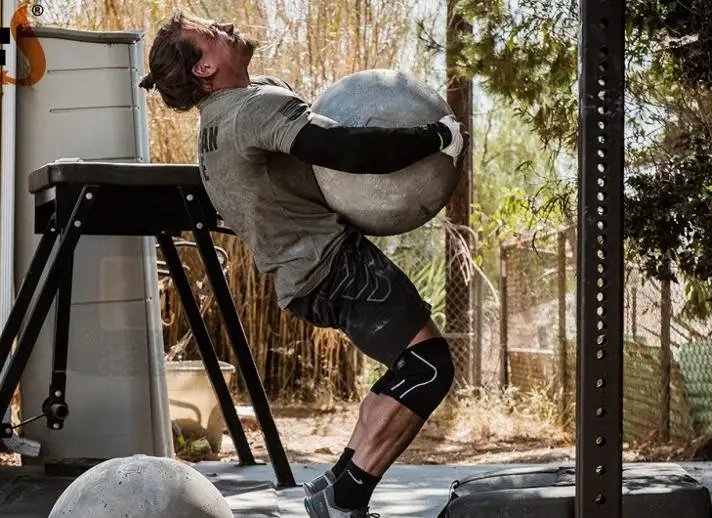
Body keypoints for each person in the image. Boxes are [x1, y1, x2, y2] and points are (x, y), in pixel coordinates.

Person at [138, 9, 469, 518]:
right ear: (204, 68)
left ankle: (335, 485)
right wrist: (438, 137)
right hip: (331, 266)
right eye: (213, 32)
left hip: (310, 274)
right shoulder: (250, 111)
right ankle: (345, 497)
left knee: (411, 365)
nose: (227, 26)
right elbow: (351, 151)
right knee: (428, 368)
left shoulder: (220, 121)